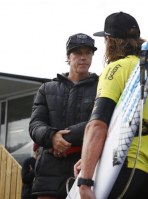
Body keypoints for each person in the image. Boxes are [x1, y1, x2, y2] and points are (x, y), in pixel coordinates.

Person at [74, 12, 148, 199]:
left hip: (123, 174)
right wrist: (89, 159)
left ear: (110, 41)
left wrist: (85, 181)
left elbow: (97, 125)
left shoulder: (117, 68)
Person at [29, 33, 98, 199]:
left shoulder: (102, 87)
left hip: (86, 172)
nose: (83, 57)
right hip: (48, 175)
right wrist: (52, 137)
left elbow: (100, 123)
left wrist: (63, 140)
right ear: (68, 57)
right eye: (78, 53)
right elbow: (35, 124)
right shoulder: (46, 88)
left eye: (88, 53)